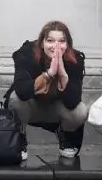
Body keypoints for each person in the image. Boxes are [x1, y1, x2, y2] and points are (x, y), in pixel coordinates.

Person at [9, 21, 88, 160]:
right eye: (50, 41)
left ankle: (66, 134)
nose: (56, 46)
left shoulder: (75, 59)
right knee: (15, 99)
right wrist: (49, 74)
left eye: (61, 41)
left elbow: (73, 100)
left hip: (57, 108)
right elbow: (21, 90)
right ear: (42, 43)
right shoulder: (27, 53)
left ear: (68, 44)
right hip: (31, 105)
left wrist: (62, 73)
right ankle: (19, 136)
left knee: (80, 111)